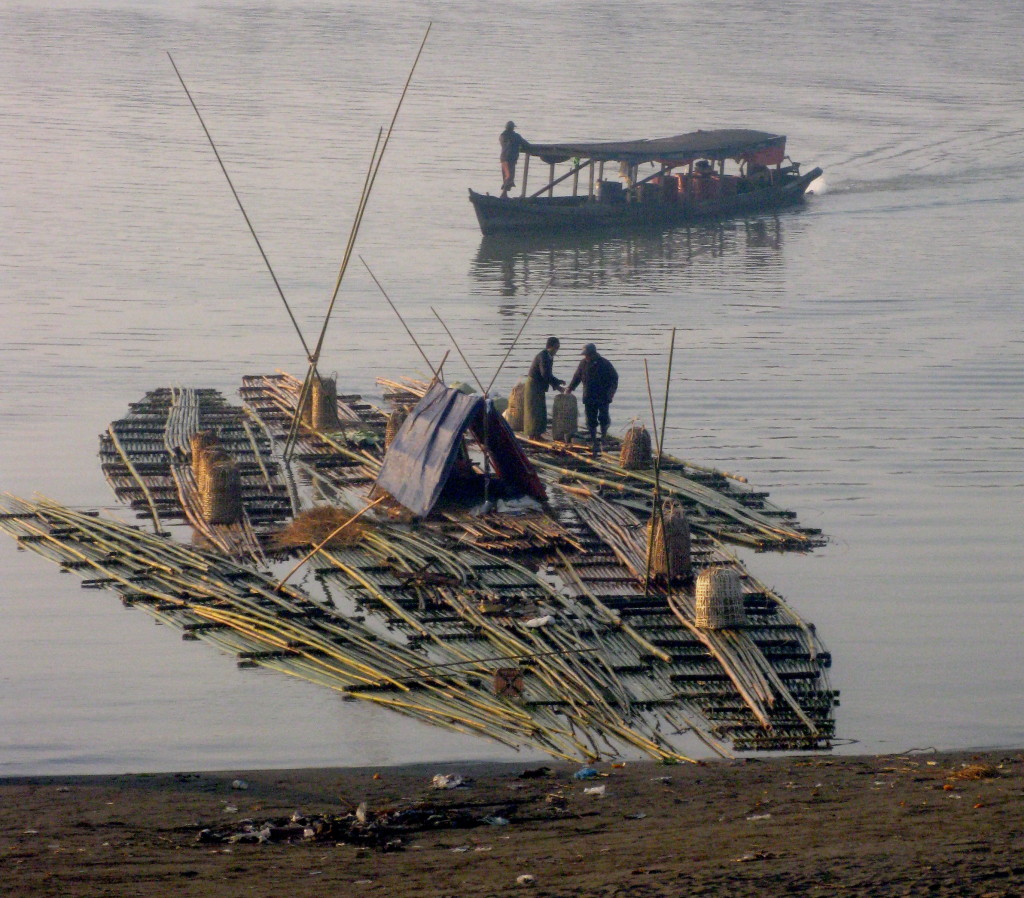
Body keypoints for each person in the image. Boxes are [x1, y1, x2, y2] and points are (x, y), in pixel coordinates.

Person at [566, 342, 619, 456]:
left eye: (588, 354)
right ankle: (594, 439)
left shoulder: (604, 363)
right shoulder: (583, 363)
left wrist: (611, 394)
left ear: (593, 354)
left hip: (603, 396)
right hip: (589, 396)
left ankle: (603, 437)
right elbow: (577, 377)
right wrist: (570, 388)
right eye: (585, 355)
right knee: (590, 419)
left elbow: (614, 379)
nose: (586, 357)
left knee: (603, 417)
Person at [523, 337, 564, 438]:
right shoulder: (543, 356)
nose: (557, 350)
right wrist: (557, 386)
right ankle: (532, 434)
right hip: (533, 385)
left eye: (558, 347)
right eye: (556, 347)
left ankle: (538, 433)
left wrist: (557, 381)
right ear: (551, 346)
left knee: (541, 409)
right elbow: (545, 374)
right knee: (534, 410)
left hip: (540, 385)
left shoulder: (549, 356)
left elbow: (548, 374)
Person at [499, 121, 530, 198]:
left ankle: (504, 194)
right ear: (513, 128)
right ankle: (503, 194)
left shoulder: (502, 136)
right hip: (511, 159)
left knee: (506, 176)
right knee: (509, 177)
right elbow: (526, 145)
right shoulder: (516, 136)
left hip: (503, 159)